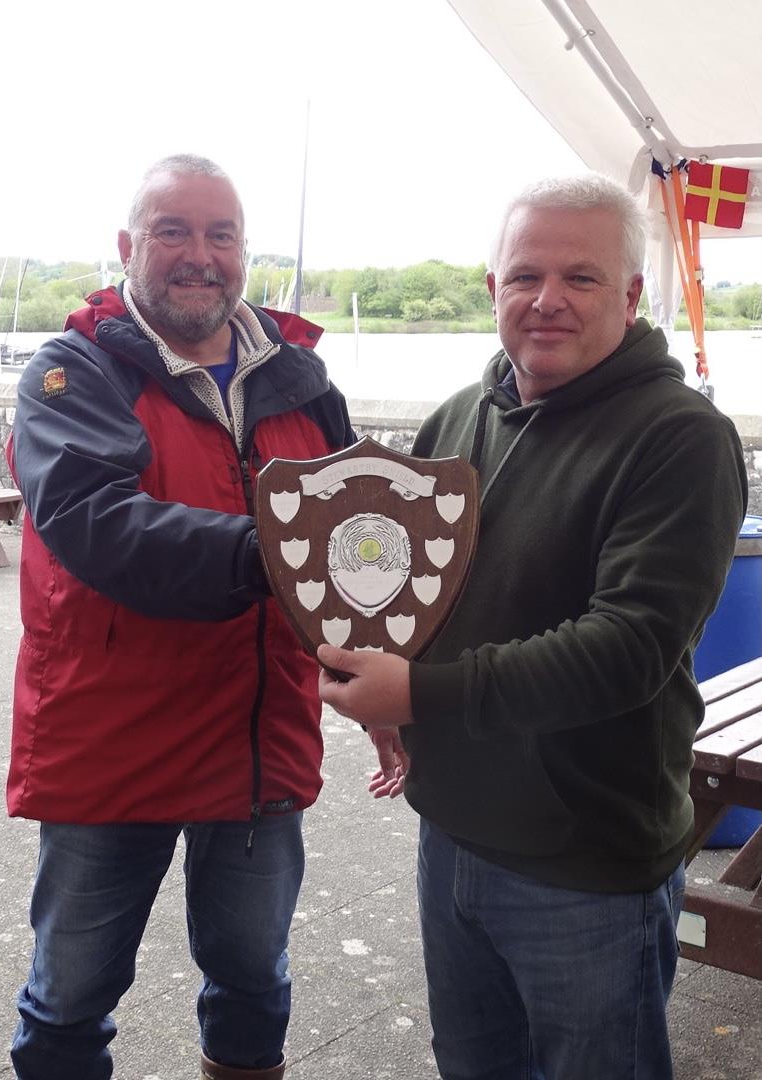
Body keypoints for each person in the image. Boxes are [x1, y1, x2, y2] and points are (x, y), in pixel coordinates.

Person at [318, 173, 748, 1080]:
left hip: (586, 860)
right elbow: (401, 589)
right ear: (491, 290)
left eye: (581, 278)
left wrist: (422, 691)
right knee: (472, 1065)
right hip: (454, 833)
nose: (546, 300)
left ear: (630, 296)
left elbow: (627, 648)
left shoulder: (679, 439)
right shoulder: (457, 417)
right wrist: (389, 692)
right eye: (523, 276)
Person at [6, 154, 354, 1080]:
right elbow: (96, 524)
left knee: (252, 981)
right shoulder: (71, 372)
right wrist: (277, 555)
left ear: (244, 252)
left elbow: (357, 534)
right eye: (173, 231)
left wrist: (393, 685)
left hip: (260, 739)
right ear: (127, 246)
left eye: (221, 234)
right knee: (70, 994)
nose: (199, 255)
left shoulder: (302, 376)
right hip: (111, 743)